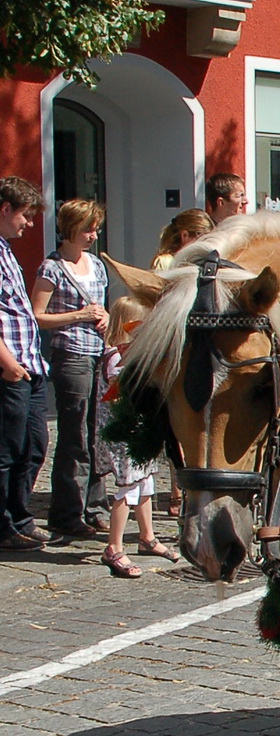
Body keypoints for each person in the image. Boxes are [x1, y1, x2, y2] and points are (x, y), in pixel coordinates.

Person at [31, 197, 111, 542]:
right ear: (72, 229)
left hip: (97, 352)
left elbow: (103, 308)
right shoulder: (52, 268)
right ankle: (67, 511)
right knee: (75, 433)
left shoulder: (95, 264)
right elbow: (38, 315)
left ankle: (96, 505)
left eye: (96, 229)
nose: (93, 235)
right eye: (88, 229)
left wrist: (106, 318)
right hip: (71, 354)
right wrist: (79, 316)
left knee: (98, 432)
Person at [93, 296, 177, 576]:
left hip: (139, 430)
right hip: (124, 433)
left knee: (146, 483)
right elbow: (121, 389)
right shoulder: (116, 356)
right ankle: (114, 547)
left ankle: (147, 536)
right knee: (127, 488)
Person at [0, 178, 51, 551]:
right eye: (25, 215)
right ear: (5, 209)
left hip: (29, 368)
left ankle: (20, 516)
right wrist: (9, 364)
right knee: (7, 451)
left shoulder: (6, 250)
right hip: (11, 369)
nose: (29, 224)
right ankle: (3, 526)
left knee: (34, 444)